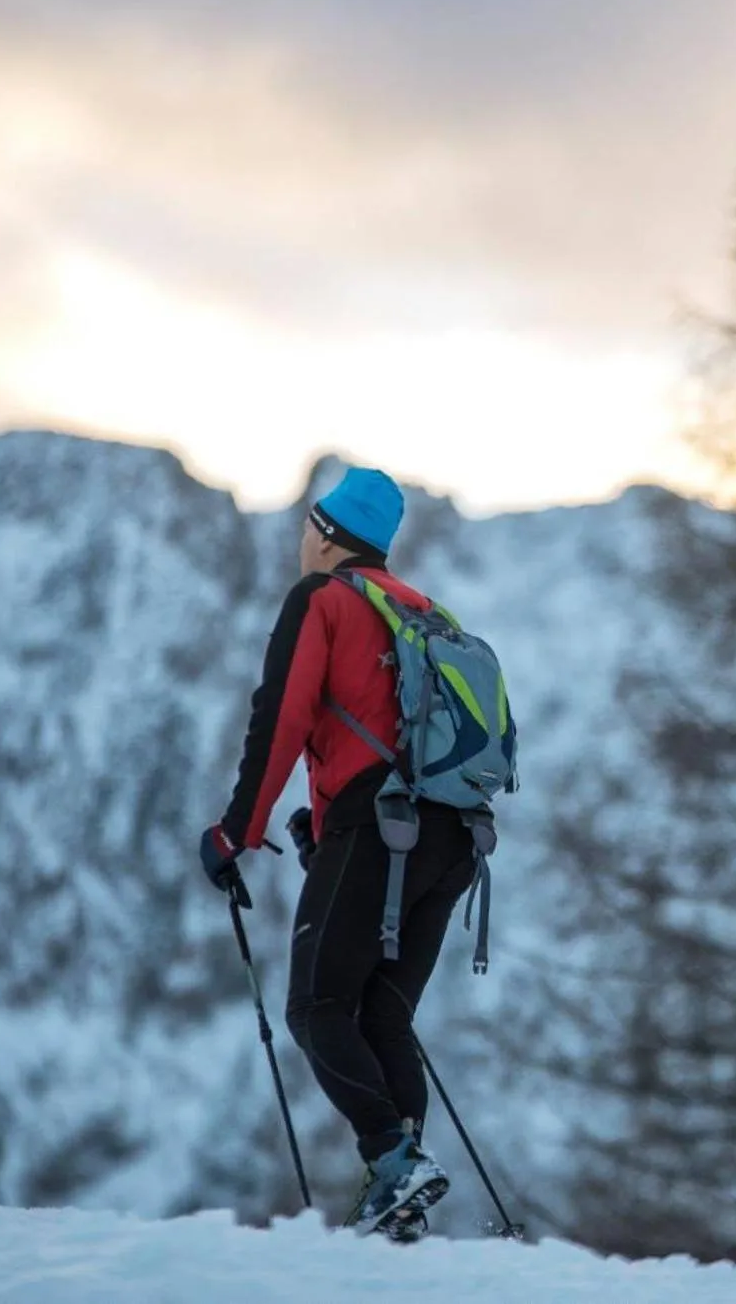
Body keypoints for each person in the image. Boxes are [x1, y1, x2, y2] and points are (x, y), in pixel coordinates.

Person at [198, 466, 479, 1239]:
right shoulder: (421, 610)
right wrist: (324, 837)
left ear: (327, 536)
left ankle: (394, 1161)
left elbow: (280, 720)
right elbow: (390, 730)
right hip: (454, 837)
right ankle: (402, 1199)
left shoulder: (321, 599)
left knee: (317, 1006)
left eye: (306, 527)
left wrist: (235, 832)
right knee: (384, 1013)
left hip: (379, 827)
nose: (300, 541)